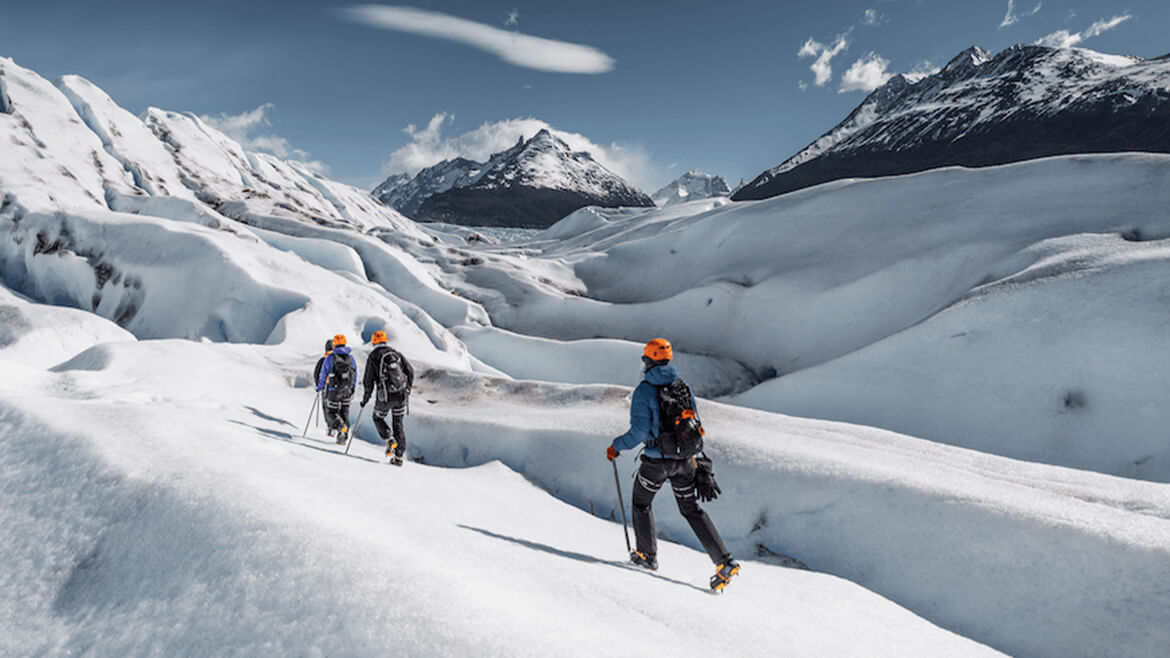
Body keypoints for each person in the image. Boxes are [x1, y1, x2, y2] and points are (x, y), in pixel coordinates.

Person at [607, 338, 740, 591]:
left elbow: (639, 432)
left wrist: (616, 446)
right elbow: (693, 425)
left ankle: (647, 556)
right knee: (691, 509)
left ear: (648, 361)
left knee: (641, 503)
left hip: (656, 463)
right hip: (685, 462)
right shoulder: (682, 387)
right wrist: (698, 459)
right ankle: (724, 561)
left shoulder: (645, 391)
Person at [361, 330, 414, 465]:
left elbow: (369, 380)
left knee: (377, 417)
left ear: (374, 342)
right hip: (401, 395)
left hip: (385, 396)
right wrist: (408, 388)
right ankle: (399, 457)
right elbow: (410, 370)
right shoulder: (396, 354)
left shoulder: (374, 356)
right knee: (398, 422)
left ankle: (389, 437)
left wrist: (366, 398)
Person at [316, 334, 357, 444]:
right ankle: (343, 437)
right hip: (347, 390)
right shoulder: (351, 358)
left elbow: (323, 374)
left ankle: (340, 427)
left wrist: (320, 387)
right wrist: (352, 388)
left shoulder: (330, 358)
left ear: (334, 345)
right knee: (344, 413)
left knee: (331, 412)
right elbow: (355, 374)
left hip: (334, 390)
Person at [313, 338, 333, 423]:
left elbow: (316, 373)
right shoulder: (340, 359)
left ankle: (330, 426)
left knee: (326, 407)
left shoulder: (323, 360)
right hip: (338, 388)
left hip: (326, 387)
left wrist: (318, 385)